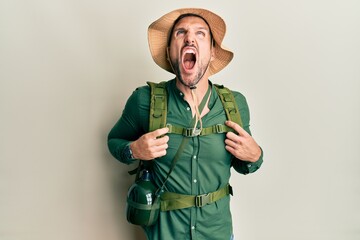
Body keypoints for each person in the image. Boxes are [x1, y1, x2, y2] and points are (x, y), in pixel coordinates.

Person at [107, 8, 263, 240]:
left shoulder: (234, 104)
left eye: (200, 33)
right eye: (181, 33)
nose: (190, 38)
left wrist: (255, 155)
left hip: (217, 233)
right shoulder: (144, 100)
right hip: (166, 234)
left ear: (211, 52)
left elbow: (245, 164)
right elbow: (114, 141)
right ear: (170, 52)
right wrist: (134, 149)